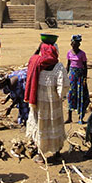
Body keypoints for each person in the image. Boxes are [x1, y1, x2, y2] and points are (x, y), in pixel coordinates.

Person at [24, 35, 69, 164]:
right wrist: (60, 96)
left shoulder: (36, 63)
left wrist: (38, 49)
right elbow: (63, 88)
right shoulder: (59, 67)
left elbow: (31, 59)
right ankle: (57, 153)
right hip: (53, 103)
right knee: (54, 125)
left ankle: (40, 154)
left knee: (41, 126)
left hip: (39, 102)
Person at [65, 34, 88, 124]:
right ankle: (69, 117)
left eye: (77, 44)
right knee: (70, 95)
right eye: (74, 44)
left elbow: (85, 67)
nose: (75, 46)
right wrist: (65, 76)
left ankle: (80, 118)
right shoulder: (69, 53)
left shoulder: (82, 54)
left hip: (80, 77)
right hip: (72, 77)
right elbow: (68, 65)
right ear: (71, 44)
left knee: (81, 96)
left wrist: (85, 79)